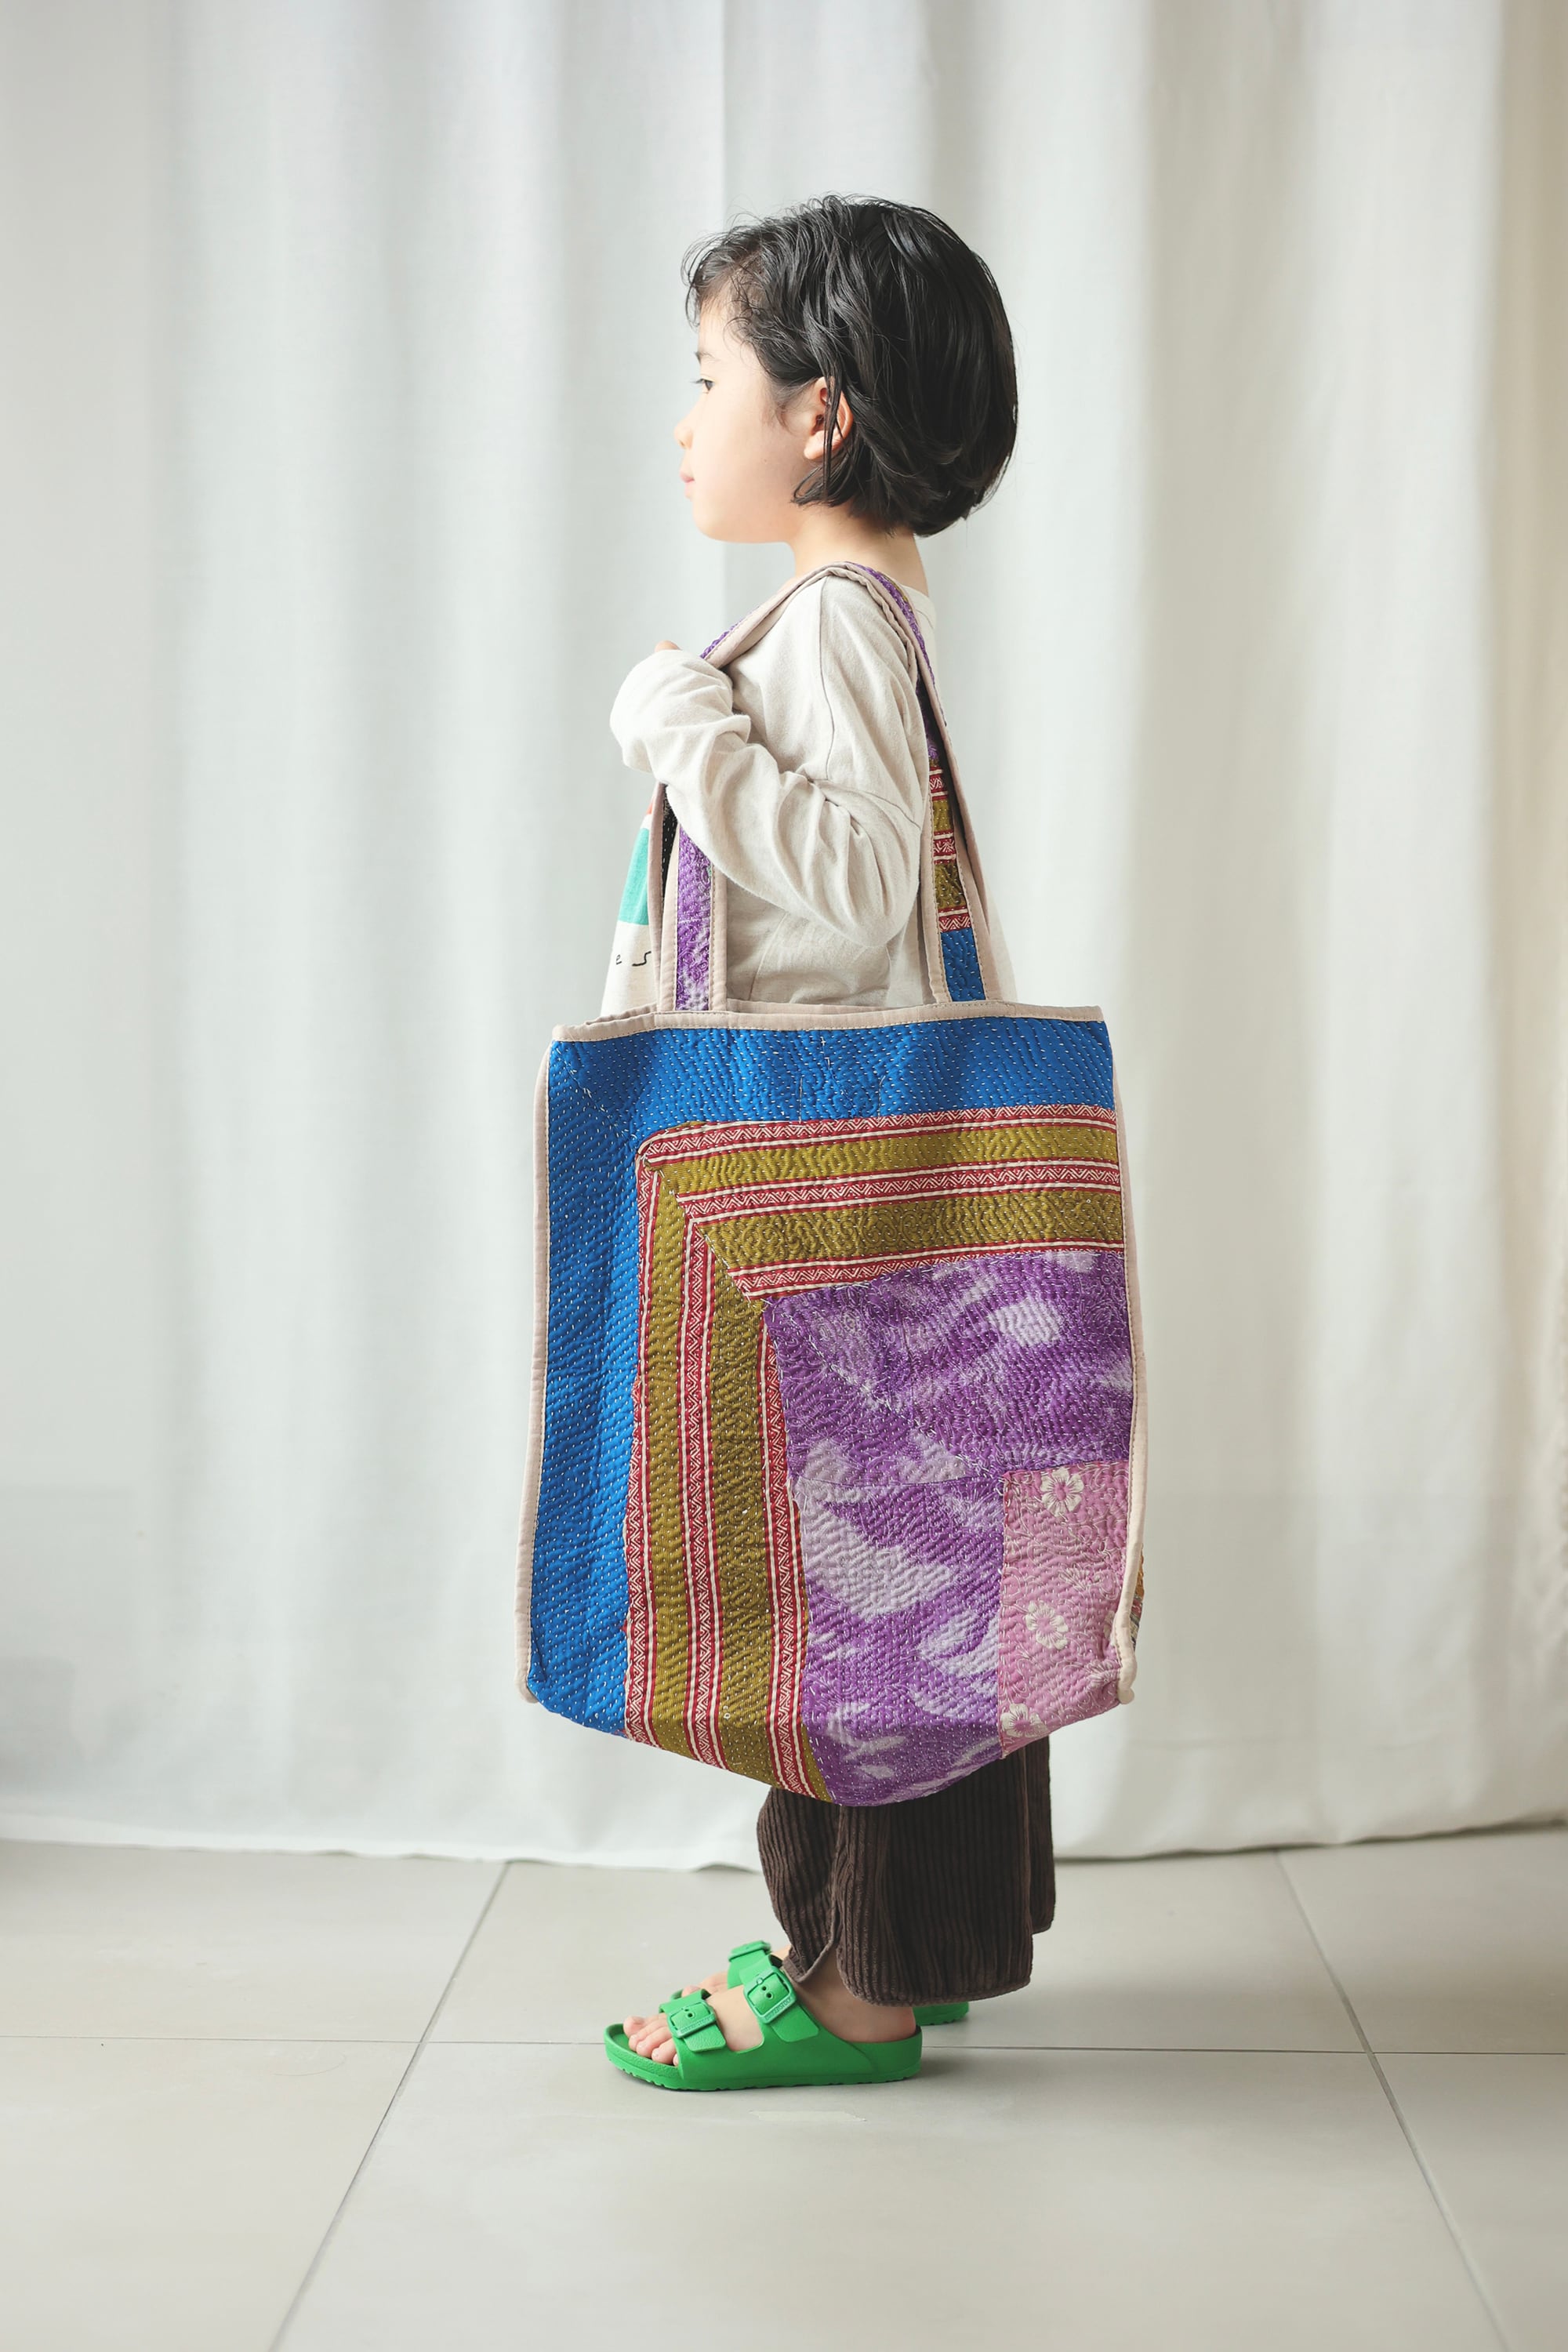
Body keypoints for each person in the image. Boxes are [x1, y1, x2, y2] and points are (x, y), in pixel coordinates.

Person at [607, 196, 1054, 2079]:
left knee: (839, 1590)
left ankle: (853, 1985)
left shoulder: (830, 628)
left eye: (709, 376)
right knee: (920, 1571)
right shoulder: (858, 621)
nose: (684, 418)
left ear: (819, 415)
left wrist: (679, 727)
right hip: (881, 1189)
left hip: (830, 1206)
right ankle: (908, 1944)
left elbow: (863, 880)